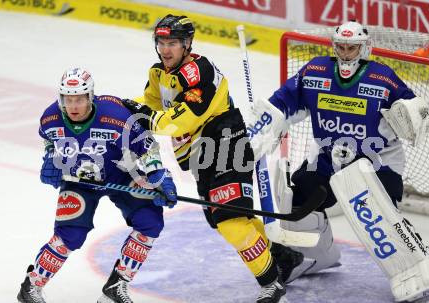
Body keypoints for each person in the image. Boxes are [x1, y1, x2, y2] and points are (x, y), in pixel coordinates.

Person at [248, 20, 429, 302]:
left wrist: (408, 113)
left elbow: (413, 112)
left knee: (376, 210)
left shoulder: (382, 77)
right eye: (341, 47)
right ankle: (312, 257)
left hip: (378, 160)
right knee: (296, 196)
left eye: (353, 47)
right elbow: (284, 101)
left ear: (364, 48)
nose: (346, 53)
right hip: (329, 156)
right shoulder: (315, 71)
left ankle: (418, 269)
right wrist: (264, 124)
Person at [122, 14, 303, 303]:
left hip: (225, 145)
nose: (166, 49)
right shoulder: (159, 73)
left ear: (187, 44)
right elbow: (150, 105)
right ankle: (283, 256)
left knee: (230, 220)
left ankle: (271, 284)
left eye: (173, 42)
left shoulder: (200, 71)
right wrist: (123, 111)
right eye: (161, 42)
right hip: (201, 157)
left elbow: (176, 122)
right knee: (228, 218)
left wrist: (144, 116)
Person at [17, 67, 177, 303]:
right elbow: (49, 140)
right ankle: (31, 287)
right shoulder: (50, 118)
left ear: (90, 96)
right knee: (70, 235)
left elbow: (146, 144)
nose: (73, 106)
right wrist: (50, 158)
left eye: (79, 99)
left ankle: (116, 284)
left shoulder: (116, 115)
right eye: (68, 99)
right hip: (78, 183)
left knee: (150, 221)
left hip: (121, 174)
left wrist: (157, 174)